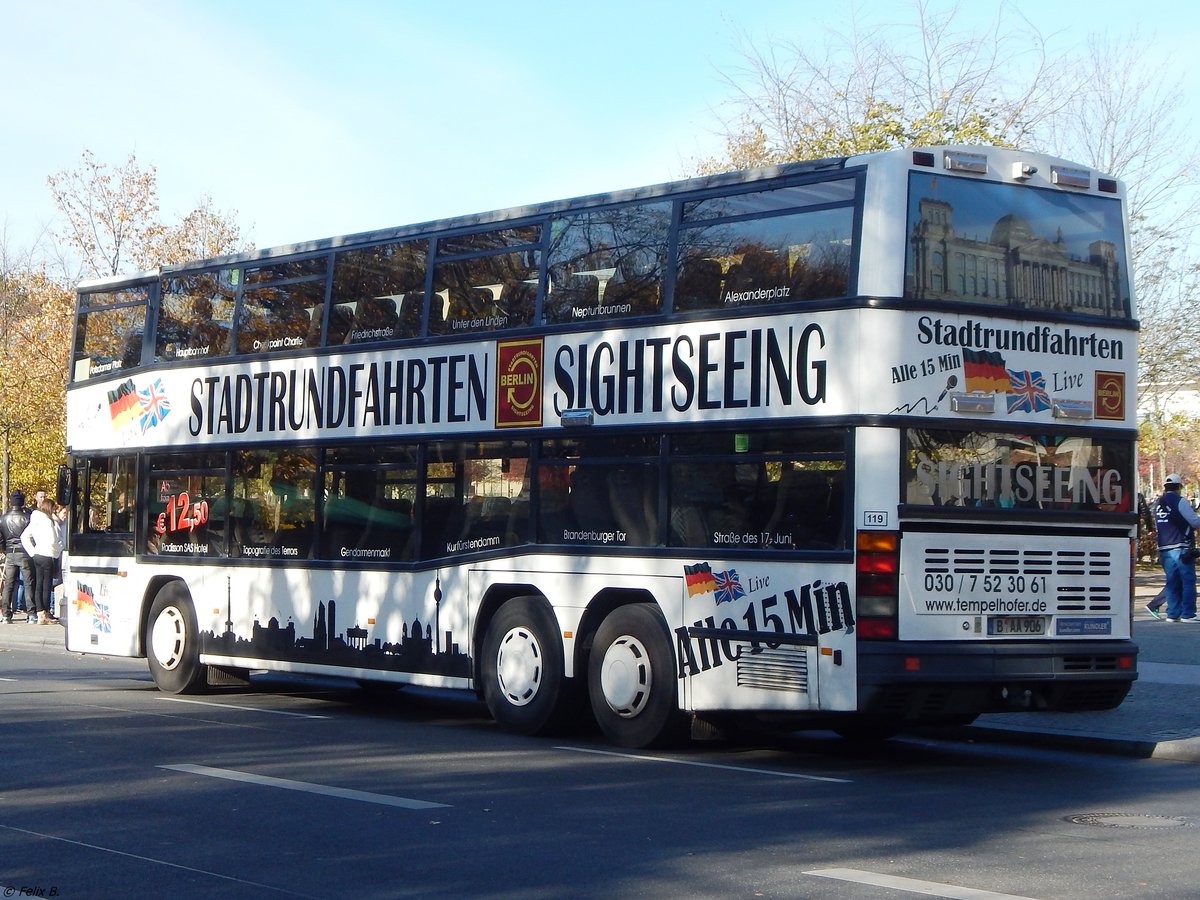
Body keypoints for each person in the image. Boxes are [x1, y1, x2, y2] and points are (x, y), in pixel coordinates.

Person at [1152, 473, 1200, 623]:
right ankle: (1188, 613)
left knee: (1172, 581)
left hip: (1164, 546)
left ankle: (1172, 613)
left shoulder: (1157, 503)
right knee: (1187, 580)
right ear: (1179, 487)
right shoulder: (1180, 501)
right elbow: (1194, 522)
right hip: (1181, 545)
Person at [20, 498, 62, 625]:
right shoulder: (48, 521)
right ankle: (46, 612)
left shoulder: (35, 519)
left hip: (37, 554)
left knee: (38, 584)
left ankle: (40, 613)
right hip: (48, 554)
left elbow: (24, 536)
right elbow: (54, 540)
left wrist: (32, 552)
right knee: (46, 586)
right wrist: (59, 549)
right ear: (50, 508)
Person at [0, 490, 32, 624]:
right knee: (28, 582)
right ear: (22, 502)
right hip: (24, 551)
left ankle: (6, 613)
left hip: (10, 551)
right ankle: (31, 612)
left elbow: (0, 538)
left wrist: (4, 550)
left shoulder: (3, 518)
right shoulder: (27, 518)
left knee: (9, 584)